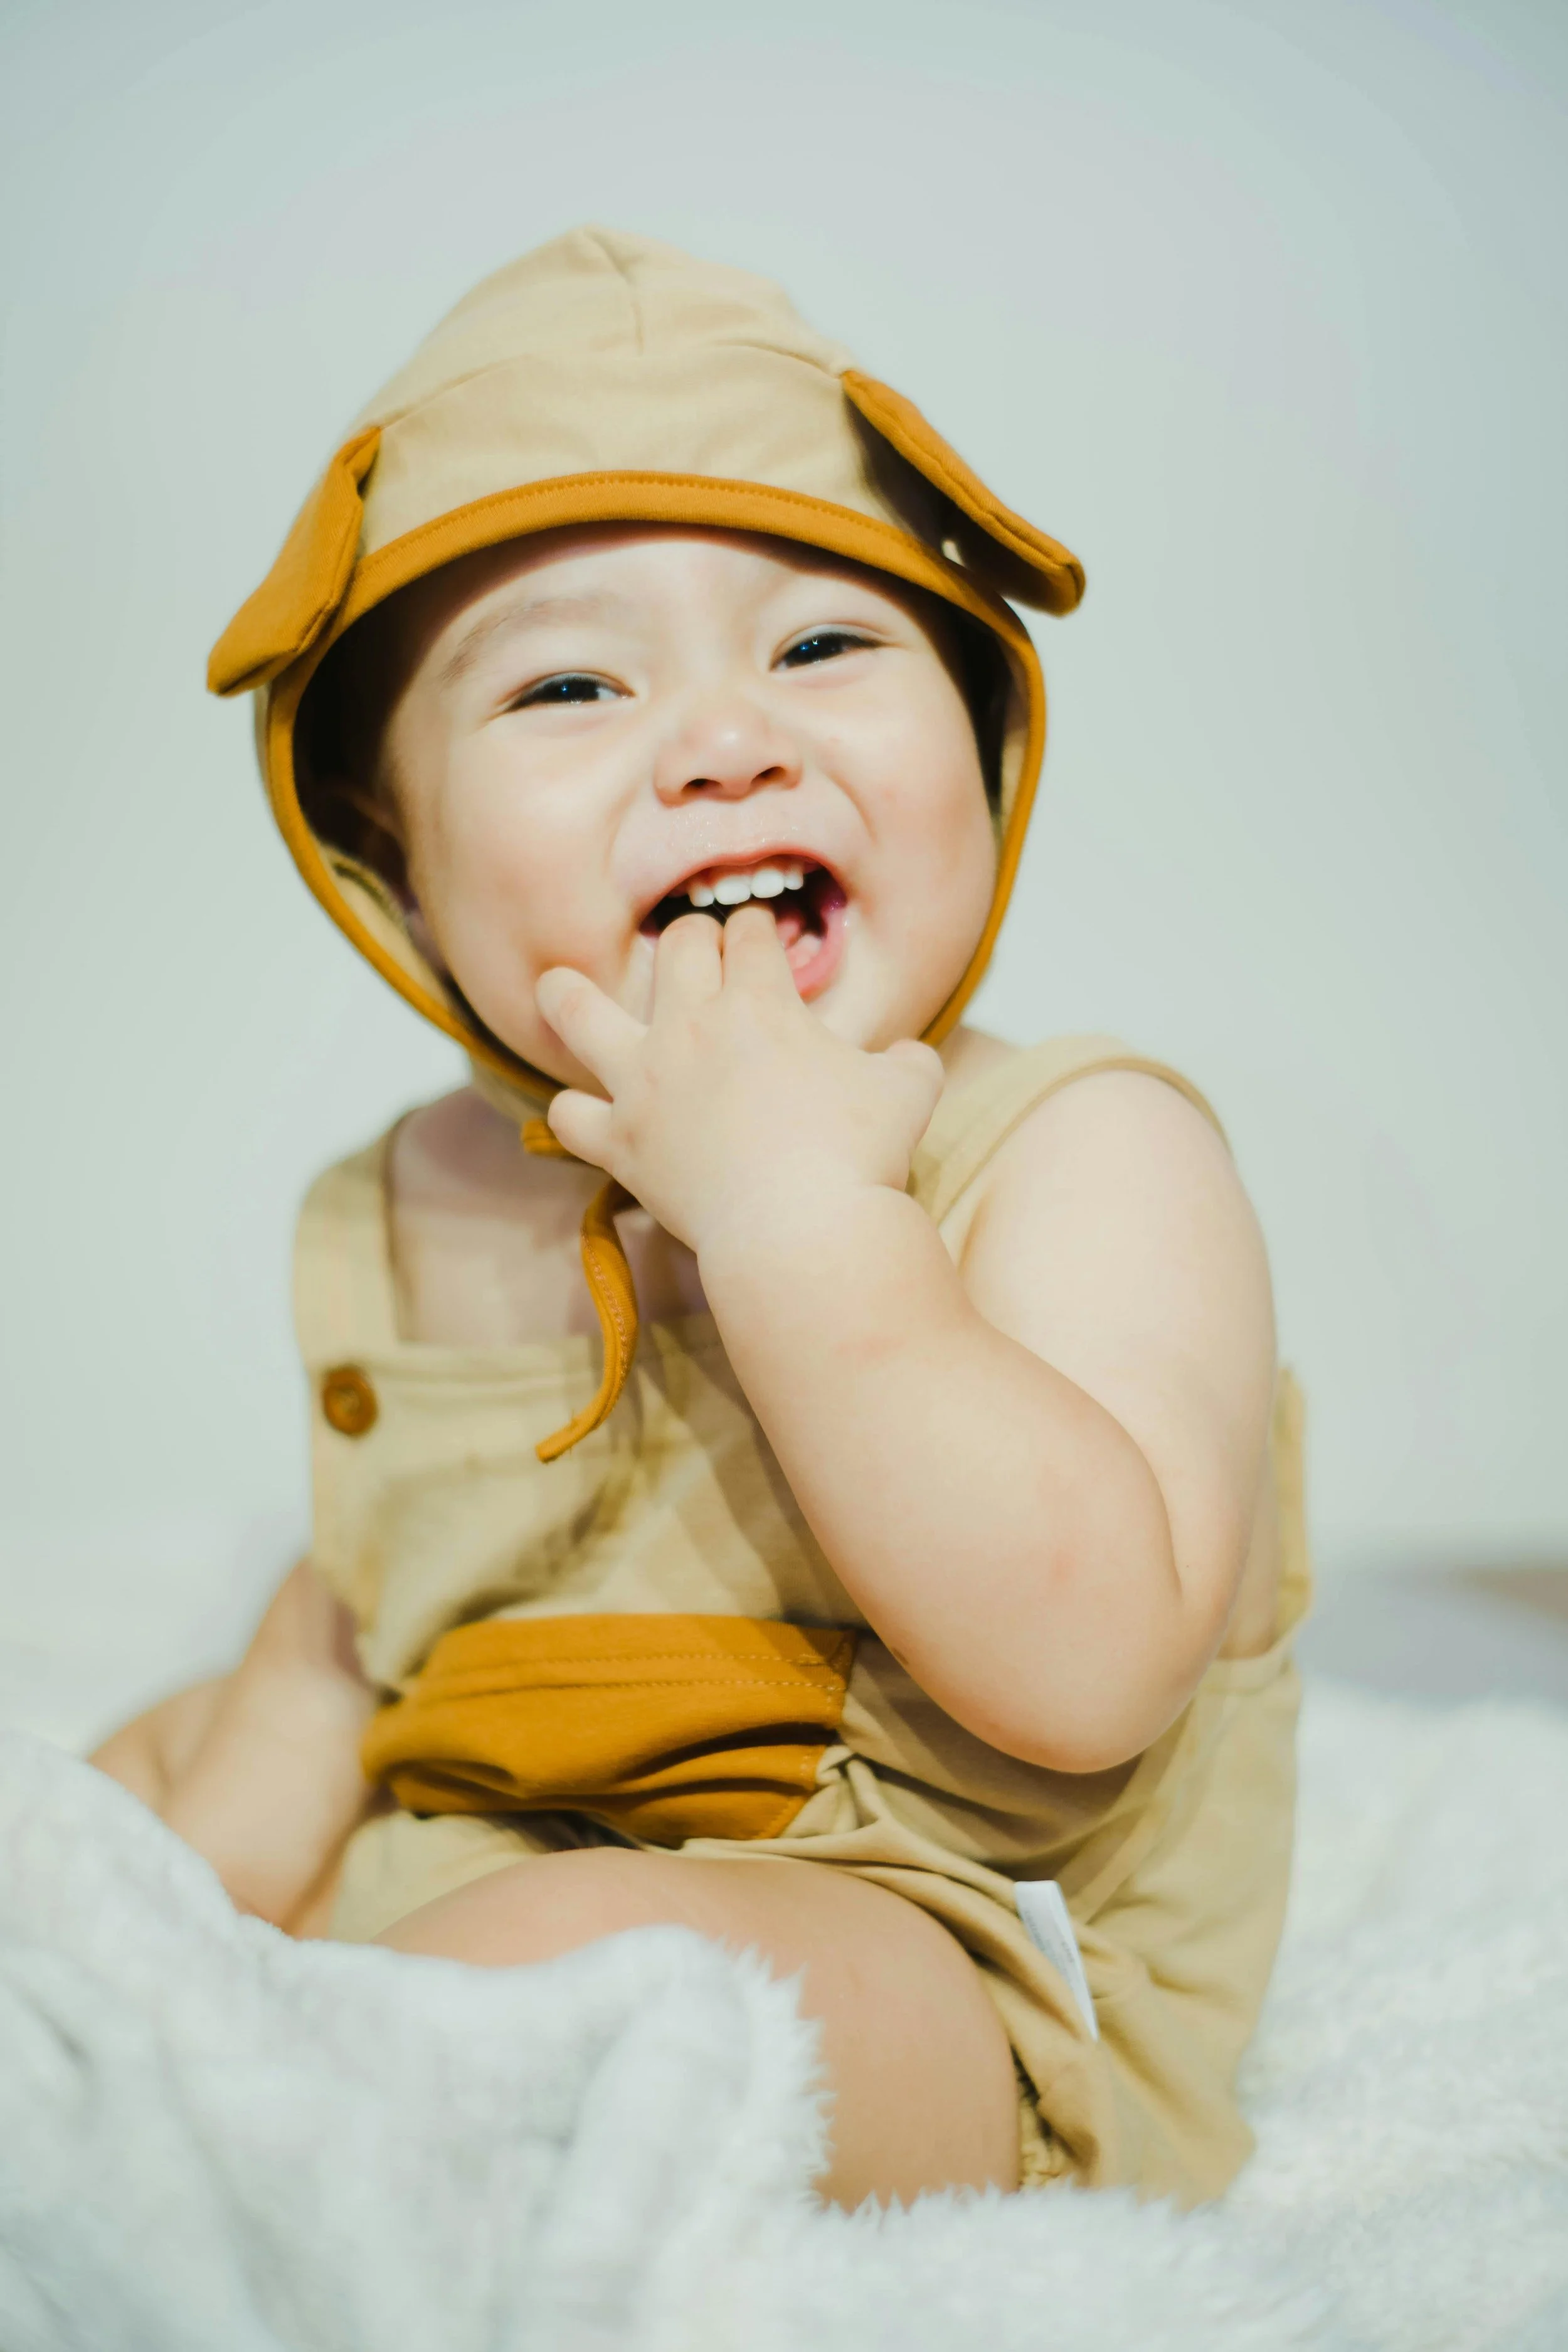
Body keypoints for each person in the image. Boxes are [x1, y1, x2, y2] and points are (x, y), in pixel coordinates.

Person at [91, 225, 1310, 2212]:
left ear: (985, 744)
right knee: (135, 1784)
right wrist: (192, 1858)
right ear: (387, 862)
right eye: (569, 680)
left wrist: (797, 1220)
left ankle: (310, 2090)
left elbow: (1088, 1668)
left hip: (944, 1953)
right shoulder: (401, 1202)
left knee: (586, 1997)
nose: (728, 736)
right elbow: (377, 1615)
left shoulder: (1081, 1150)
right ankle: (178, 2037)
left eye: (825, 644)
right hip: (492, 1854)